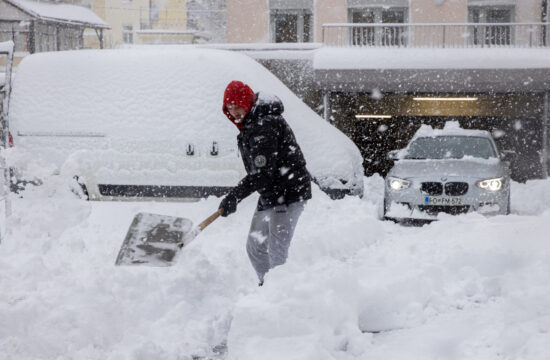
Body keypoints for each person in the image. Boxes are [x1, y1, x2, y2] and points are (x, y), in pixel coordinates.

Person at [219, 80, 312, 286]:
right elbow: (261, 174)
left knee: (277, 253)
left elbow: (262, 173)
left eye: (238, 106)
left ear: (247, 103)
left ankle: (280, 297)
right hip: (271, 192)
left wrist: (234, 196)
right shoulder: (252, 124)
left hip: (289, 192)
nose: (234, 112)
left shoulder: (264, 125)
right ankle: (267, 289)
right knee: (255, 247)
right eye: (230, 107)